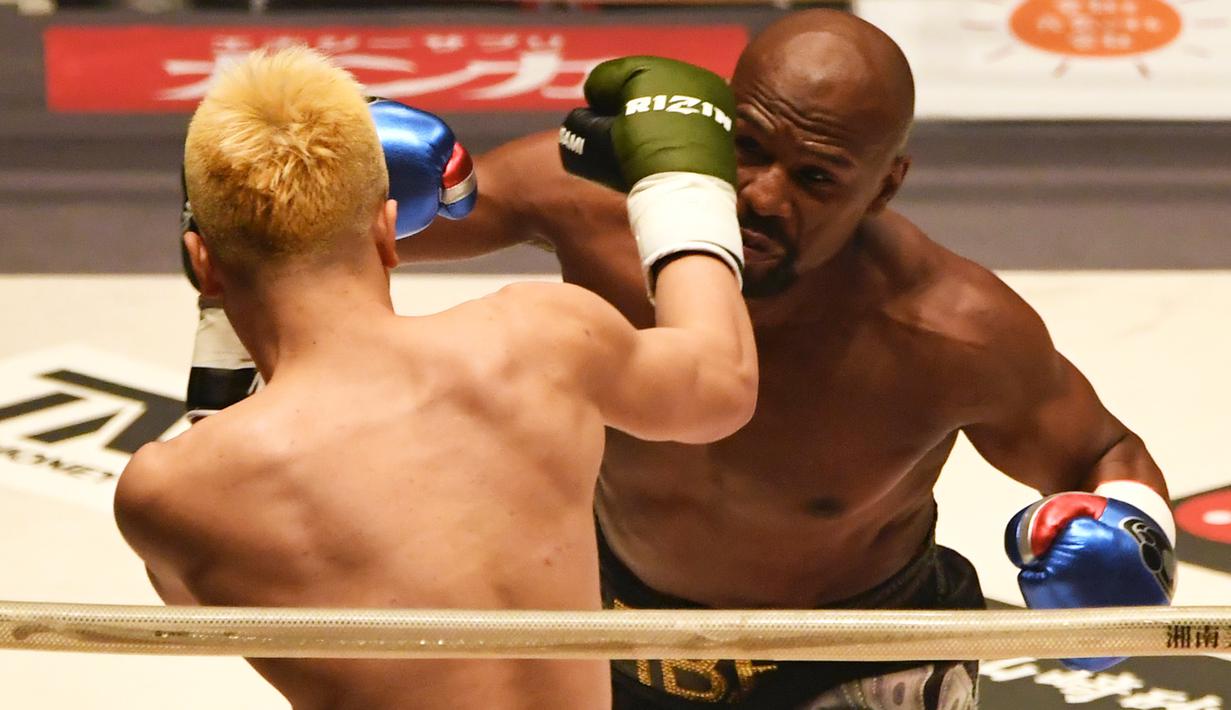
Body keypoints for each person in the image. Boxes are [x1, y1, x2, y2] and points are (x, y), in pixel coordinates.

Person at [176, 11, 1177, 709]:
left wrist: (1132, 536)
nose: (760, 195)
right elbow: (278, 251)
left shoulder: (947, 329)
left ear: (885, 185)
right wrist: (332, 178)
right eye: (744, 147)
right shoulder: (592, 206)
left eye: (817, 176)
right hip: (611, 635)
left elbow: (1102, 448)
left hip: (847, 657)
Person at [116, 47, 758, 710]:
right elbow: (720, 385)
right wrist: (683, 184)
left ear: (203, 263)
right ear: (389, 231)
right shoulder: (542, 339)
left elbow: (198, 611)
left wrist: (219, 320)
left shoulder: (173, 490)